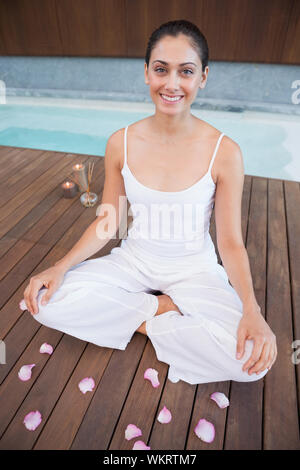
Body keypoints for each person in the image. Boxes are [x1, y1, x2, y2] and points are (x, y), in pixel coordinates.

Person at [22, 19, 277, 385]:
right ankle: (160, 312)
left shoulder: (225, 152)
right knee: (44, 300)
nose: (171, 84)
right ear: (146, 73)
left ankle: (134, 317)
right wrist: (60, 268)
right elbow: (110, 221)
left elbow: (230, 243)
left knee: (253, 362)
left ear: (203, 77)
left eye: (185, 72)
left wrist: (252, 310)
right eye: (161, 70)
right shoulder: (120, 142)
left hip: (195, 270)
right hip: (135, 261)